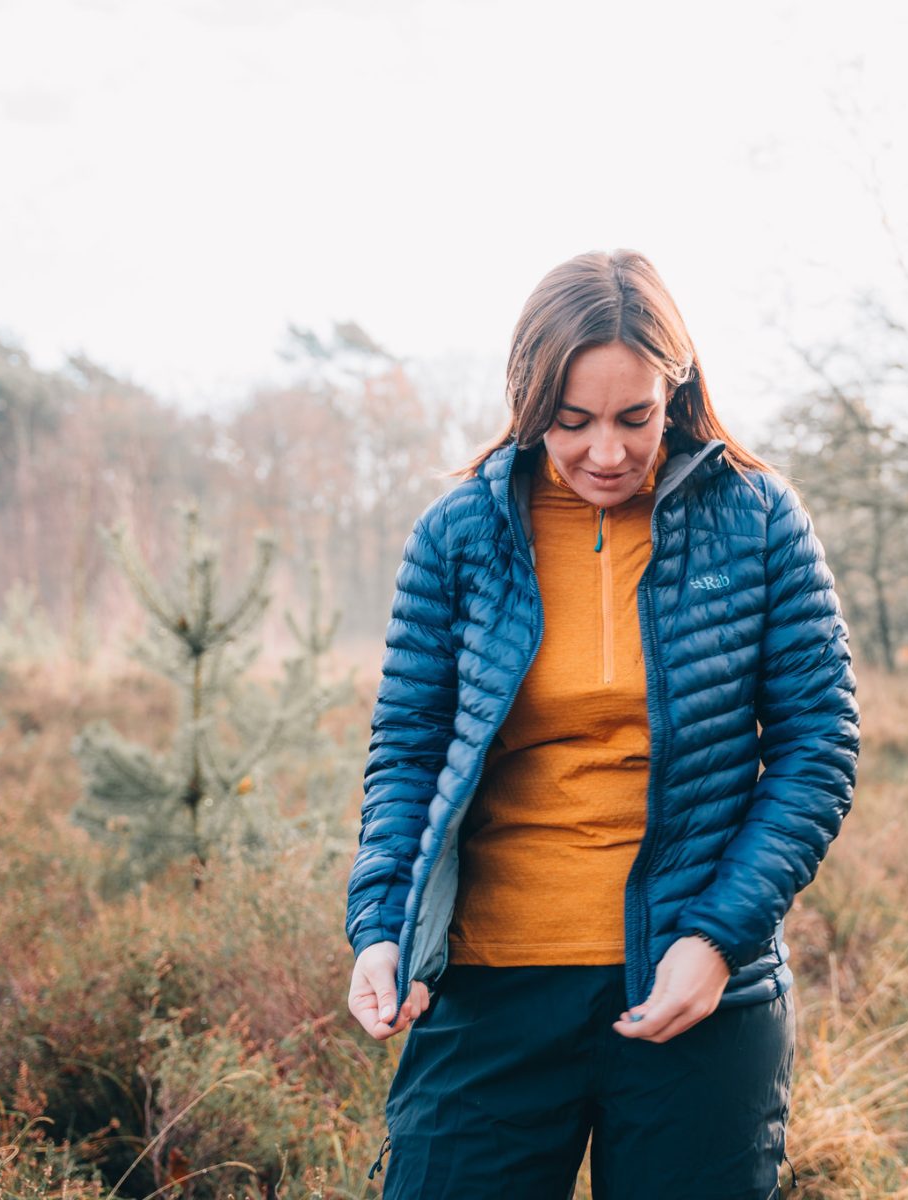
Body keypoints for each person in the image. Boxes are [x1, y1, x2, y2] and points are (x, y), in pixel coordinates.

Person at [343, 248, 860, 1199]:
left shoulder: (757, 521)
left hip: (695, 992)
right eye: (572, 422)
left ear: (679, 387)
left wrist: (715, 941)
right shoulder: (460, 533)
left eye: (636, 416)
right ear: (530, 400)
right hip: (491, 992)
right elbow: (407, 753)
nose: (608, 453)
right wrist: (381, 925)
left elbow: (817, 749)